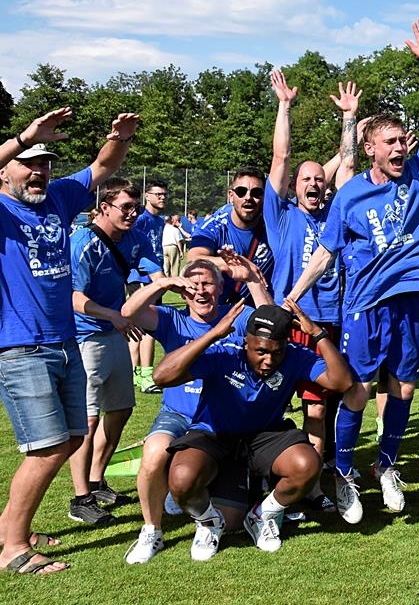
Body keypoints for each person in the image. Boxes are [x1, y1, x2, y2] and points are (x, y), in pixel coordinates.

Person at [286, 19, 419, 515]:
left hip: (408, 300)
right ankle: (342, 476)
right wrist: (294, 295)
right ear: (371, 148)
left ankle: (386, 467)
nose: (402, 148)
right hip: (364, 305)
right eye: (392, 142)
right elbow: (326, 252)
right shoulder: (351, 195)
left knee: (402, 388)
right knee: (357, 392)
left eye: (405, 140)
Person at [0, 107, 139, 575]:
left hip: (64, 341)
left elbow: (103, 168)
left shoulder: (58, 198)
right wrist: (23, 137)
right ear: (6, 169)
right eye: (28, 163)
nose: (39, 172)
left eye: (45, 163)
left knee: (73, 436)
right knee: (47, 445)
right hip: (21, 344)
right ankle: (13, 547)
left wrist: (118, 138)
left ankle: (9, 528)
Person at [155, 300, 352, 559]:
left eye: (276, 352)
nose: (269, 360)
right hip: (215, 432)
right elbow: (162, 376)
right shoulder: (225, 350)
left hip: (264, 435)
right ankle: (208, 522)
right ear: (246, 341)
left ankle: (263, 514)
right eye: (260, 351)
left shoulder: (294, 355)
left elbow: (342, 381)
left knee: (307, 464)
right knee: (182, 481)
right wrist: (213, 333)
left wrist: (317, 334)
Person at [120, 256, 267, 563]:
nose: (201, 291)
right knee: (154, 451)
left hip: (220, 419)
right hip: (179, 414)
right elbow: (128, 312)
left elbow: (270, 318)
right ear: (184, 291)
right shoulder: (171, 319)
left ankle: (199, 500)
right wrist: (163, 283)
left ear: (221, 287)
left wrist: (252, 278)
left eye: (209, 283)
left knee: (232, 521)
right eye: (193, 284)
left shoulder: (236, 314)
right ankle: (151, 530)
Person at [265, 68, 359, 510]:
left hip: (335, 319)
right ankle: (312, 485)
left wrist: (348, 120)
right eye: (306, 180)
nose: (313, 184)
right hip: (295, 321)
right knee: (312, 407)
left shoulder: (335, 212)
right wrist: (284, 106)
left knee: (334, 403)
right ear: (295, 188)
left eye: (318, 179)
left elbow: (348, 160)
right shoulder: (281, 214)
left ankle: (324, 478)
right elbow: (281, 159)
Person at [67, 177, 163, 525]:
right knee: (88, 418)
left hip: (114, 332)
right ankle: (80, 499)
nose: (133, 213)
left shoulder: (134, 236)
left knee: (120, 409)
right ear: (104, 207)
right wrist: (113, 314)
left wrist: (178, 286)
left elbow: (154, 272)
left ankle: (97, 479)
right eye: (126, 207)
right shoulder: (82, 242)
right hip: (85, 336)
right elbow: (73, 297)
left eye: (135, 207)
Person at [187, 168, 275, 305]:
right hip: (222, 310)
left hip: (260, 310)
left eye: (256, 193)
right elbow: (194, 258)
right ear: (231, 196)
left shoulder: (273, 226)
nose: (248, 198)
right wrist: (234, 265)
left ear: (264, 197)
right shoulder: (215, 226)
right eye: (241, 191)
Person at [128, 180, 169, 394]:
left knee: (139, 328)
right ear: (147, 196)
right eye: (158, 194)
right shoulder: (140, 219)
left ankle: (133, 373)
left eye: (164, 194)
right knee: (150, 329)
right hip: (142, 279)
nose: (162, 197)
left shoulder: (159, 221)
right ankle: (146, 375)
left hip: (155, 278)